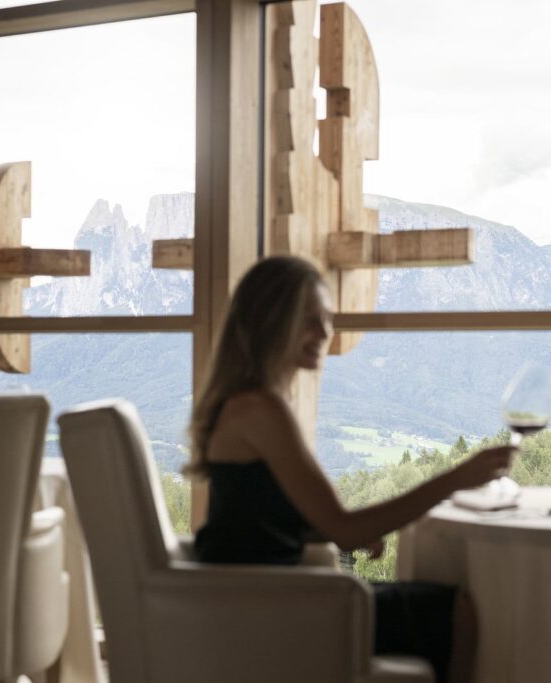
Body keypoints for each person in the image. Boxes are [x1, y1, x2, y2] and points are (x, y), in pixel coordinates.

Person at [186, 254, 517, 683]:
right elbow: (345, 529)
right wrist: (456, 479)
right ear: (270, 321)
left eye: (326, 319)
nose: (325, 333)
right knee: (458, 612)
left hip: (260, 599)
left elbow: (260, 518)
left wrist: (340, 532)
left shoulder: (252, 403)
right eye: (309, 320)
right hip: (272, 608)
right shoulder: (262, 409)